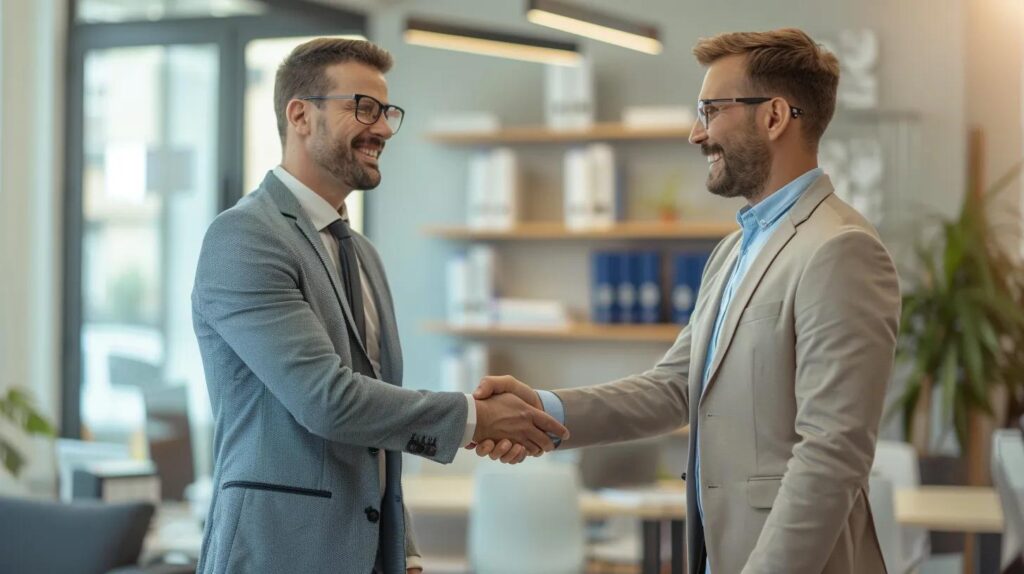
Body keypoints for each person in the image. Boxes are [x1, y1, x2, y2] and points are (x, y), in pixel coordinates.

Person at [473, 28, 901, 574]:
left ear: (773, 117)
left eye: (710, 110)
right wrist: (541, 410)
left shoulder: (841, 249)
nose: (696, 134)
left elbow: (832, 453)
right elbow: (674, 387)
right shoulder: (731, 252)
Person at [191, 38, 568, 574]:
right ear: (300, 114)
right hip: (276, 552)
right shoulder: (244, 237)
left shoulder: (360, 252)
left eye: (387, 111)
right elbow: (328, 400)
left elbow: (375, 426)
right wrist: (476, 416)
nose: (384, 128)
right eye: (362, 108)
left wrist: (402, 548)